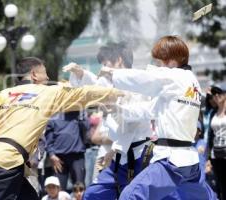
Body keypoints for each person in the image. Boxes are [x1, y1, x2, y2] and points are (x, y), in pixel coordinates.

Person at [0, 57, 123, 200]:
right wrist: (120, 93)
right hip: (7, 164)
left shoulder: (1, 95)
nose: (48, 77)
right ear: (34, 75)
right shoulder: (47, 92)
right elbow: (85, 94)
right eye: (44, 73)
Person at [101, 35, 217, 199]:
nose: (156, 66)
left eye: (158, 61)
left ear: (171, 61)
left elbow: (144, 79)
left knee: (130, 196)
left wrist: (113, 74)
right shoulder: (192, 83)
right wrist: (117, 109)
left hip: (172, 160)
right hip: (190, 163)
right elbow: (149, 110)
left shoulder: (174, 77)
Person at [63, 42, 154, 200]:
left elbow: (131, 124)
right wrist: (79, 73)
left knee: (132, 196)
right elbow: (94, 85)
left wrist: (115, 149)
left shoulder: (138, 80)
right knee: (93, 194)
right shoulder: (110, 82)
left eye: (105, 64)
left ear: (118, 60)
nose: (103, 68)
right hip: (121, 155)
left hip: (141, 155)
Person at [45, 111, 89, 191]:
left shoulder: (80, 113)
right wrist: (51, 155)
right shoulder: (54, 115)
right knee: (59, 190)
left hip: (77, 157)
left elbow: (87, 128)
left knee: (80, 188)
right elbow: (48, 138)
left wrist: (81, 116)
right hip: (58, 159)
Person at [208, 85, 226, 199]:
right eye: (214, 94)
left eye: (219, 93)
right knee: (221, 185)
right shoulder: (213, 113)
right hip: (216, 155)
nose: (216, 96)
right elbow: (210, 136)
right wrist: (209, 157)